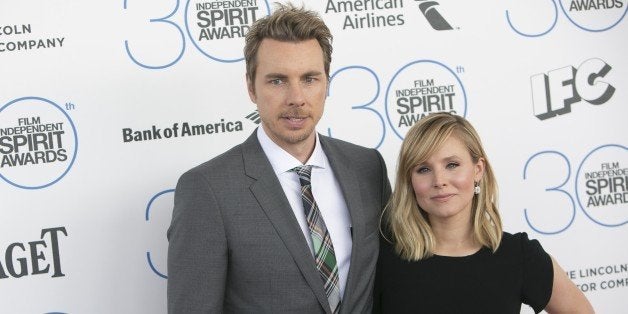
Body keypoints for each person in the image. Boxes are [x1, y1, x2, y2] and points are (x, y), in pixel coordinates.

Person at [167, 3, 391, 313]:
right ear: (251, 87)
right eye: (277, 80)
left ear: (327, 83)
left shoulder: (368, 167)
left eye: (310, 79)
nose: (296, 98)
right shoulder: (208, 190)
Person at [374, 113, 593, 313]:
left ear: (478, 170)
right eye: (423, 169)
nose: (439, 181)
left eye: (452, 164)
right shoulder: (382, 258)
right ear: (410, 181)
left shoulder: (519, 255)